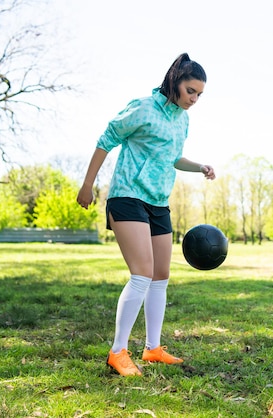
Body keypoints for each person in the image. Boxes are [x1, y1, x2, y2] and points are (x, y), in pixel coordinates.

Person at [77, 53, 215, 376]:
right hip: (127, 196)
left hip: (157, 202)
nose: (194, 99)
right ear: (175, 82)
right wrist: (87, 184)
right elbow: (106, 139)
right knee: (142, 273)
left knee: (161, 276)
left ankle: (153, 348)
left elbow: (173, 157)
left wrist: (199, 167)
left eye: (199, 94)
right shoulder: (143, 108)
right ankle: (117, 352)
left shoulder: (183, 119)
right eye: (191, 91)